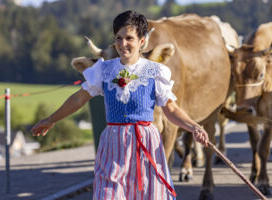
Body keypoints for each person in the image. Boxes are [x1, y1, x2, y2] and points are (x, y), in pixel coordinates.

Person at [31, 10, 209, 200]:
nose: (123, 44)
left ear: (142, 41)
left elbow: (171, 109)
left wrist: (195, 127)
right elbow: (78, 99)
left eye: (129, 38)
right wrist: (51, 120)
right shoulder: (104, 70)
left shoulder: (155, 71)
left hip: (146, 146)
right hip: (113, 146)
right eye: (119, 38)